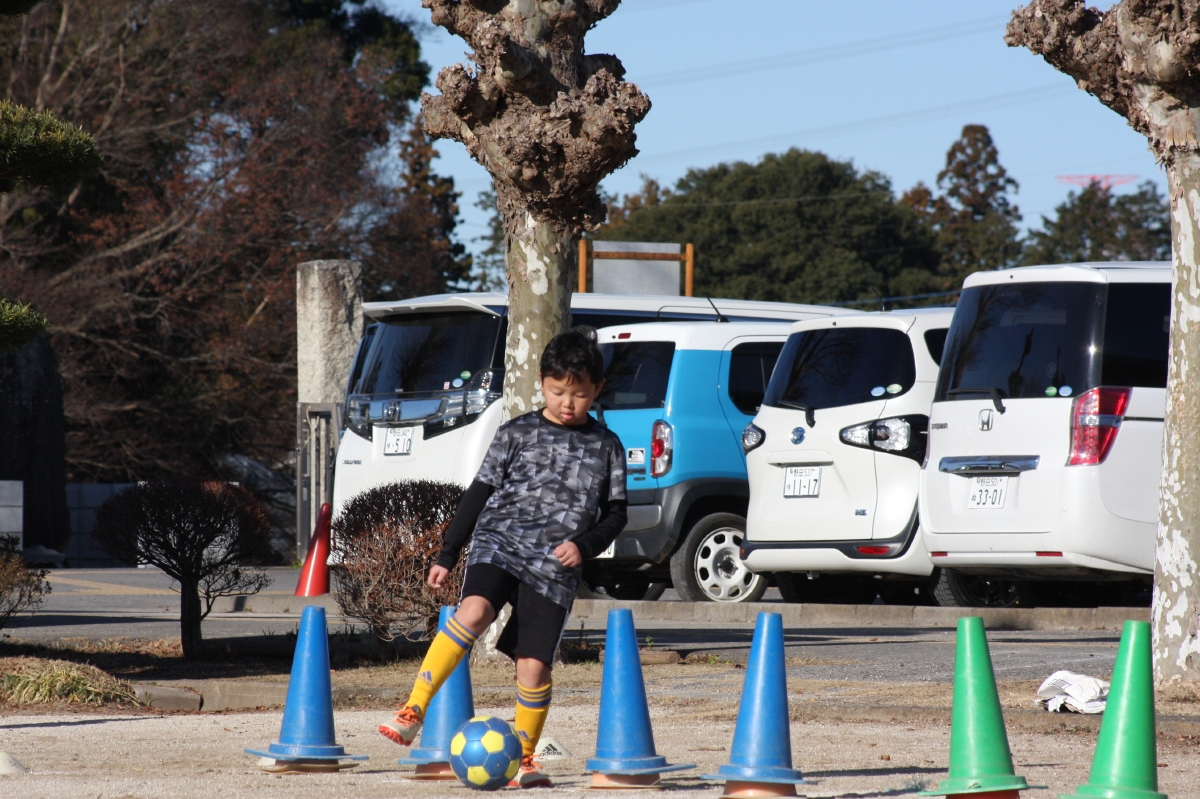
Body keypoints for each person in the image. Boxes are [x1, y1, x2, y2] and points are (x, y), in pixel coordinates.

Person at [379, 326, 627, 788]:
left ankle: (525, 761)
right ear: (542, 383)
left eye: (579, 394)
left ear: (598, 389)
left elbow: (616, 514)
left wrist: (585, 545)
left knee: (533, 666)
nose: (567, 403)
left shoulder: (606, 446)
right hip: (501, 541)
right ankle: (414, 708)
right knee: (473, 611)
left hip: (554, 565)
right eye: (557, 392)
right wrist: (447, 554)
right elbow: (479, 492)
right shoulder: (516, 431)